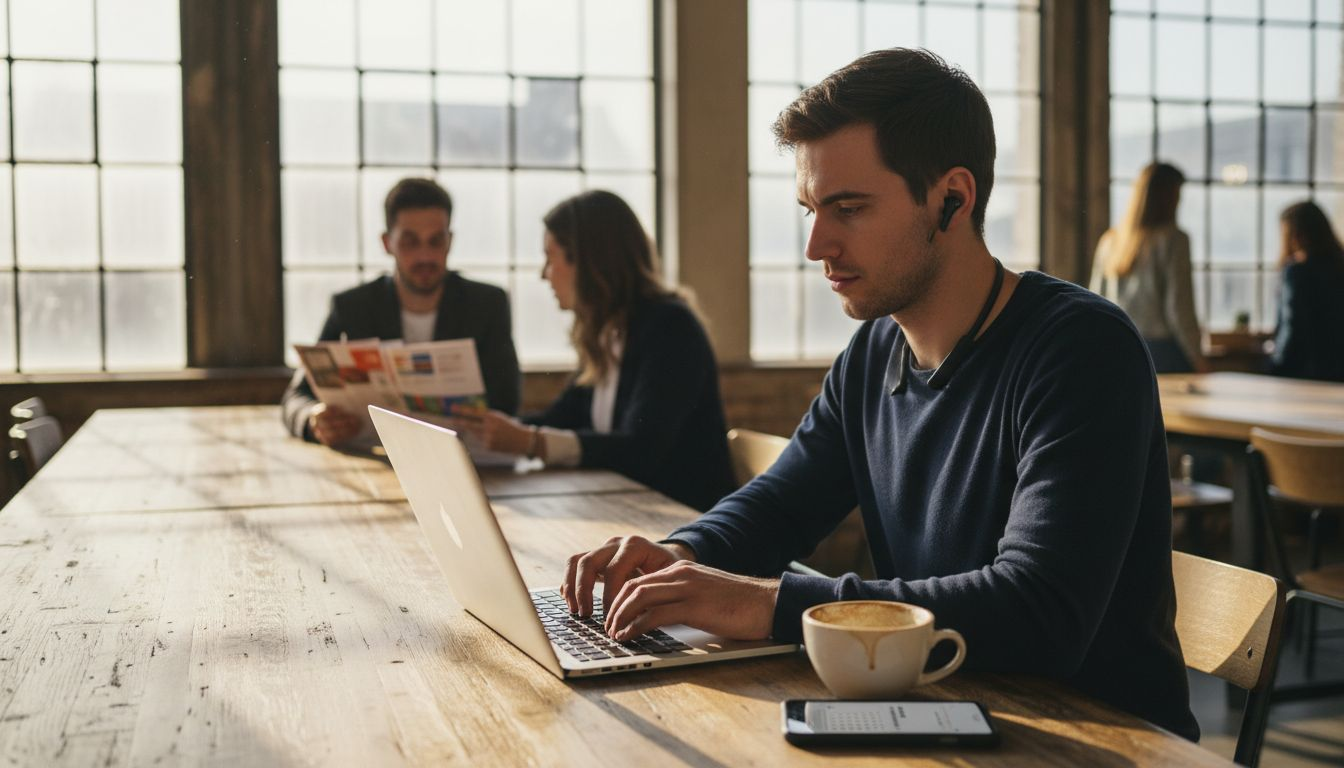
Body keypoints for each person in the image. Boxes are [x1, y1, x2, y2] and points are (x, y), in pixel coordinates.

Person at [560, 49, 1199, 741]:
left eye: (848, 208)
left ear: (953, 197)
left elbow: (1038, 611)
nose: (815, 244)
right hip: (941, 715)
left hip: (1097, 741)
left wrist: (771, 605)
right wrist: (679, 556)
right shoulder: (874, 353)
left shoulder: (1080, 348)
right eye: (809, 208)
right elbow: (781, 505)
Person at [451, 190, 735, 512]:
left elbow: (642, 449)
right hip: (631, 512)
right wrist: (482, 430)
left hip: (686, 523)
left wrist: (531, 442)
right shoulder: (608, 332)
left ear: (586, 261)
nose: (544, 273)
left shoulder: (670, 328)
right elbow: (559, 419)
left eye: (550, 257)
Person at [281, 178, 521, 446]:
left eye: (436, 241)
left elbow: (507, 403)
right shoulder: (352, 307)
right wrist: (314, 419)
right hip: (375, 459)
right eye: (410, 242)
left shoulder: (487, 304)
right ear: (387, 243)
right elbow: (295, 398)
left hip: (467, 458)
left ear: (450, 241)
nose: (425, 256)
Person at [1090, 162, 1208, 373]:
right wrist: (1198, 358)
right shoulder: (1174, 240)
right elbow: (1179, 307)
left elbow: (1094, 303)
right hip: (1162, 354)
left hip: (1117, 350)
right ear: (1169, 197)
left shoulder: (1110, 241)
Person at [1271, 201, 1344, 382]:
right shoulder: (1339, 267)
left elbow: (1292, 328)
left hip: (1304, 375)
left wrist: (1275, 367)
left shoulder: (1297, 272)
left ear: (1295, 236)